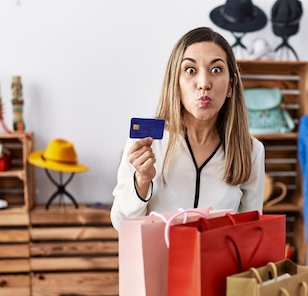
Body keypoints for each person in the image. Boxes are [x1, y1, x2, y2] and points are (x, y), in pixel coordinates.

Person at [110, 27, 265, 230]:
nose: (204, 83)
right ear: (175, 82)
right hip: (159, 262)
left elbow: (251, 231)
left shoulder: (251, 150)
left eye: (216, 70)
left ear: (230, 85)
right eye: (190, 70)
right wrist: (141, 182)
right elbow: (121, 224)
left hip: (221, 262)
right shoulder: (148, 141)